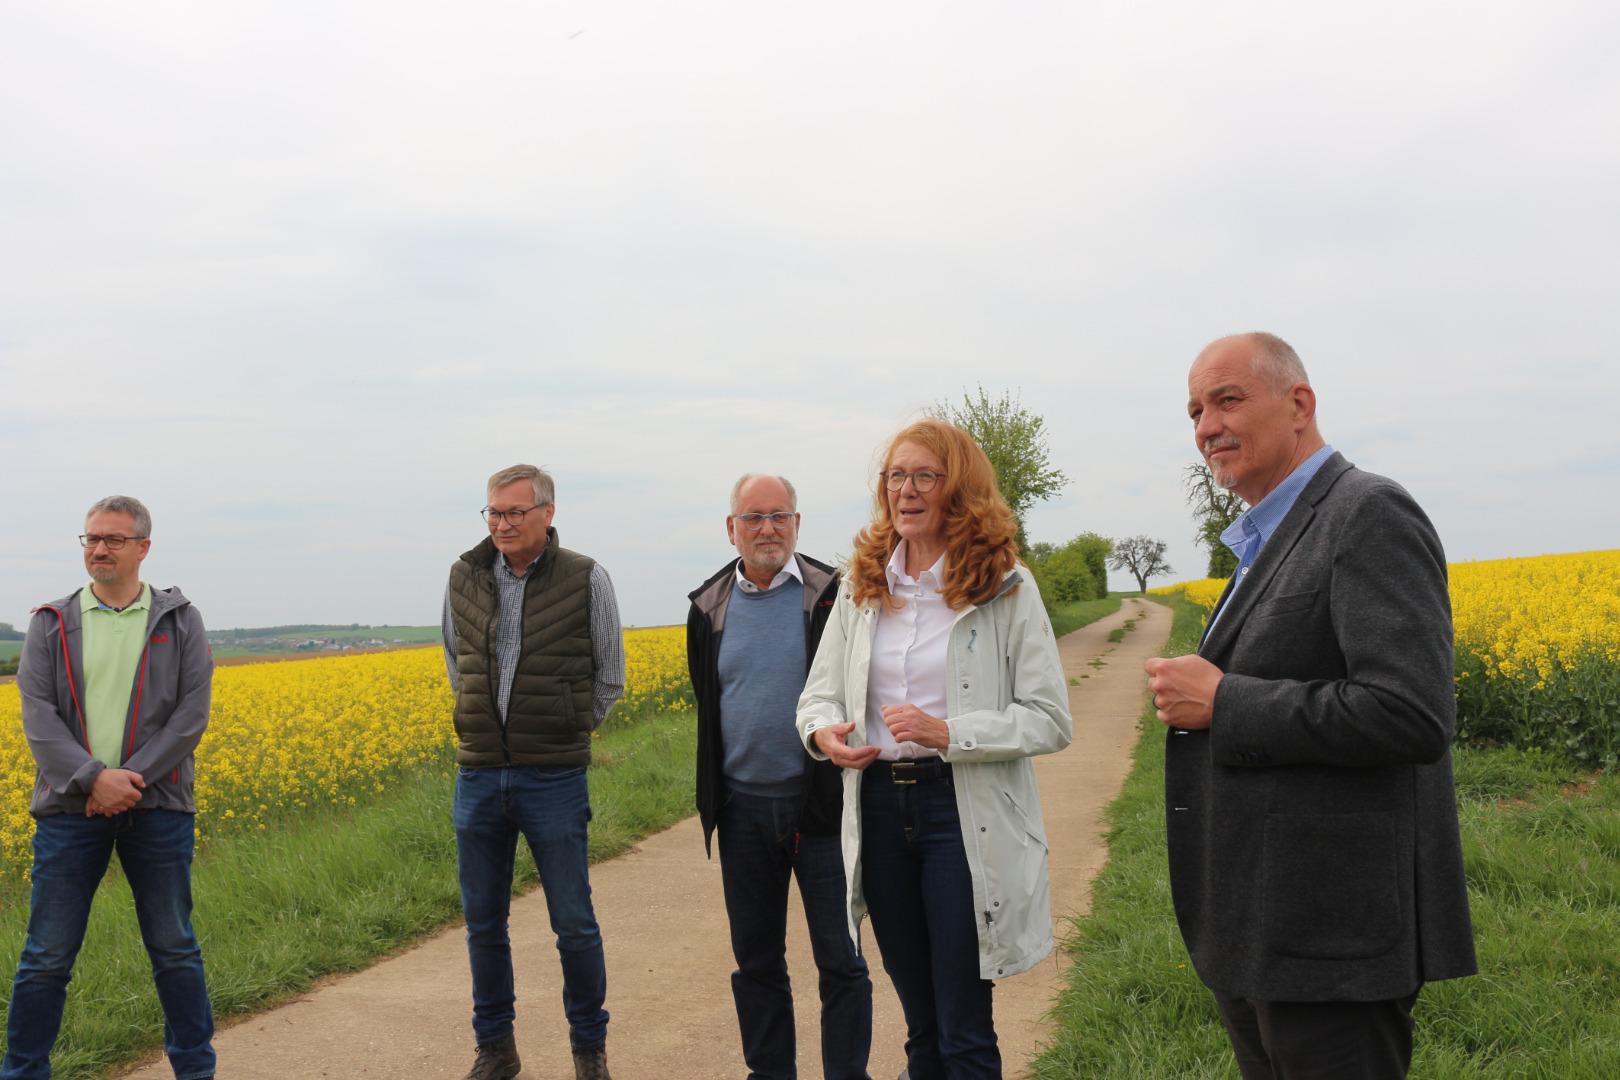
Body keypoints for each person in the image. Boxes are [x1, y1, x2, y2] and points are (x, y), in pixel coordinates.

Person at [1146, 333, 1477, 1080]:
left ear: (1299, 405)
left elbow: (1411, 711)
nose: (1206, 427)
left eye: (1228, 400)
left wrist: (1225, 701)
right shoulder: (1268, 536)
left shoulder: (1367, 512)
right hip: (1259, 926)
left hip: (1333, 934)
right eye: (1195, 410)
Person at [797, 419, 1073, 1080]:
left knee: (963, 1026)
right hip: (883, 816)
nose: (906, 490)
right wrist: (824, 734)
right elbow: (819, 696)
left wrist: (951, 733)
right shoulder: (863, 586)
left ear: (961, 489)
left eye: (925, 475)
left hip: (961, 813)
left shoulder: (1006, 585)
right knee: (920, 1027)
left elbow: (1050, 719)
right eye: (896, 475)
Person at [7, 496, 215, 1080]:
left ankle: (196, 1071)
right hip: (69, 810)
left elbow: (189, 716)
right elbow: (39, 718)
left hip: (159, 808)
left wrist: (130, 780)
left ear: (143, 547)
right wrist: (92, 778)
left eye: (113, 540)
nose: (99, 549)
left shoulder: (180, 619)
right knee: (46, 958)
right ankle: (22, 1073)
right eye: (91, 539)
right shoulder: (51, 621)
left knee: (174, 948)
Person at [440, 464, 627, 1080]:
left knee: (573, 923)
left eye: (515, 512)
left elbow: (609, 677)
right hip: (479, 777)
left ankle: (587, 1050)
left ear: (547, 512)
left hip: (553, 778)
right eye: (494, 513)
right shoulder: (463, 575)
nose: (502, 523)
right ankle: (495, 1048)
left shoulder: (585, 576)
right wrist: (484, 730)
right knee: (483, 926)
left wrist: (564, 730)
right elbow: (456, 662)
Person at [687, 473, 874, 1080]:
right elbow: (709, 703)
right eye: (754, 517)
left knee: (841, 961)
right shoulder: (707, 606)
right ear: (731, 528)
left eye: (780, 516)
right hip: (742, 811)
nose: (767, 528)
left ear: (798, 522)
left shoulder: (833, 593)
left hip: (819, 810)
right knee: (757, 964)